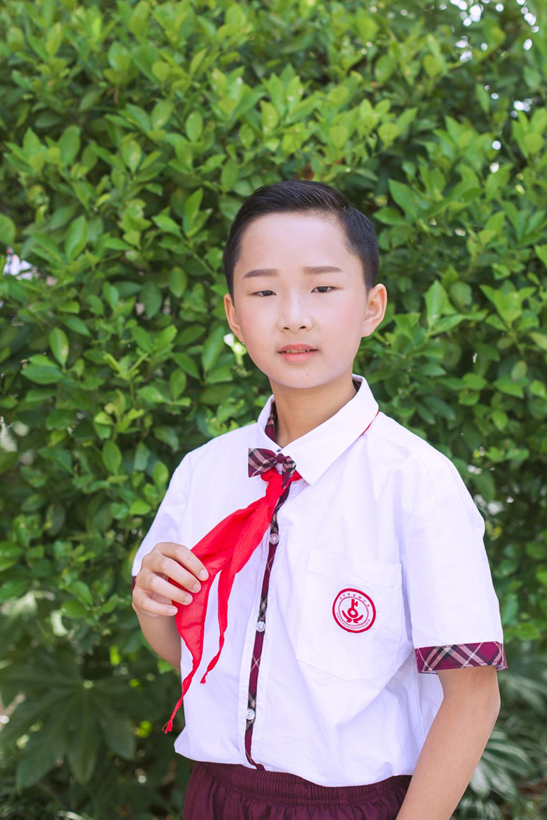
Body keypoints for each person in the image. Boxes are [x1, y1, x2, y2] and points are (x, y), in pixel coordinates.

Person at [131, 179, 507, 820]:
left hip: (353, 806)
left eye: (323, 288)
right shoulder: (204, 472)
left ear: (372, 306)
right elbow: (188, 651)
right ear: (233, 315)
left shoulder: (416, 483)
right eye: (264, 291)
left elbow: (472, 696)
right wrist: (152, 605)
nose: (293, 316)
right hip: (215, 797)